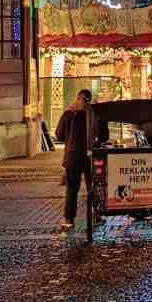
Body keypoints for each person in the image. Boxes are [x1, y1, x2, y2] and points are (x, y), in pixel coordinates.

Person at [57, 89, 109, 230]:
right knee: (93, 186)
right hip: (91, 155)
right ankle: (97, 215)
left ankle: (69, 219)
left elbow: (59, 135)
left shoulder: (68, 114)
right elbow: (105, 136)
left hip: (73, 156)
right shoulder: (95, 114)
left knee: (72, 188)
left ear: (78, 98)